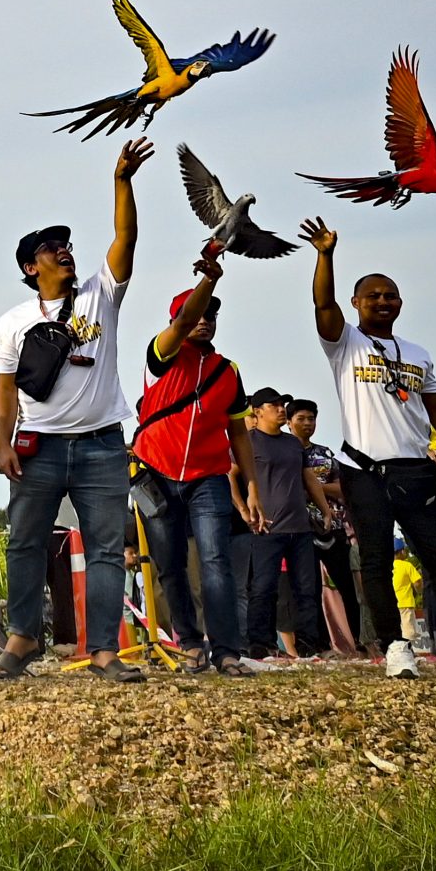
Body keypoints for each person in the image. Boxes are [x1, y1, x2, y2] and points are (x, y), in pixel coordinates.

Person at [297, 216, 436, 686]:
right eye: (372, 295)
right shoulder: (346, 344)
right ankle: (397, 648)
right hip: (362, 468)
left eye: (390, 294)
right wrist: (325, 256)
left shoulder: (417, 353)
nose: (382, 301)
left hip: (415, 469)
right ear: (356, 303)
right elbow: (322, 303)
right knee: (375, 561)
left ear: (400, 303)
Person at [0, 137, 152, 684]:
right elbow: (6, 387)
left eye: (66, 242)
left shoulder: (100, 293)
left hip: (104, 442)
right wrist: (0, 439)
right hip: (40, 447)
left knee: (106, 546)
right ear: (31, 267)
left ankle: (104, 650)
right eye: (51, 247)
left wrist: (122, 181)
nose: (64, 249)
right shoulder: (13, 320)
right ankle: (23, 638)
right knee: (26, 542)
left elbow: (124, 237)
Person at [132, 248, 259, 674]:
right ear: (177, 320)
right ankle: (189, 642)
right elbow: (185, 321)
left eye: (211, 313)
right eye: (196, 312)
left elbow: (238, 431)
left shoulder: (228, 371)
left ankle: (226, 652)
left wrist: (253, 488)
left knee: (215, 562)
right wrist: (210, 282)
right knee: (169, 565)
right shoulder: (160, 357)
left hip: (209, 477)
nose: (204, 319)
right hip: (157, 473)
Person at [243, 387, 331, 661]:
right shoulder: (248, 442)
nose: (282, 409)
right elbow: (230, 474)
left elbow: (309, 478)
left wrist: (325, 510)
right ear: (257, 412)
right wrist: (243, 508)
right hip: (267, 528)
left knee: (307, 589)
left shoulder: (294, 443)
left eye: (283, 404)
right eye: (274, 405)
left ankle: (308, 645)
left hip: (300, 528)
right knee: (264, 588)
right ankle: (261, 644)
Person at [288, 398, 357, 654]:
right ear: (288, 422)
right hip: (299, 529)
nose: (307, 424)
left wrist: (313, 488)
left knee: (348, 587)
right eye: (301, 419)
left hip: (333, 527)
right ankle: (316, 645)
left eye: (311, 419)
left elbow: (343, 489)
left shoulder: (326, 454)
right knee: (308, 588)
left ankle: (359, 642)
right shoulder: (284, 451)